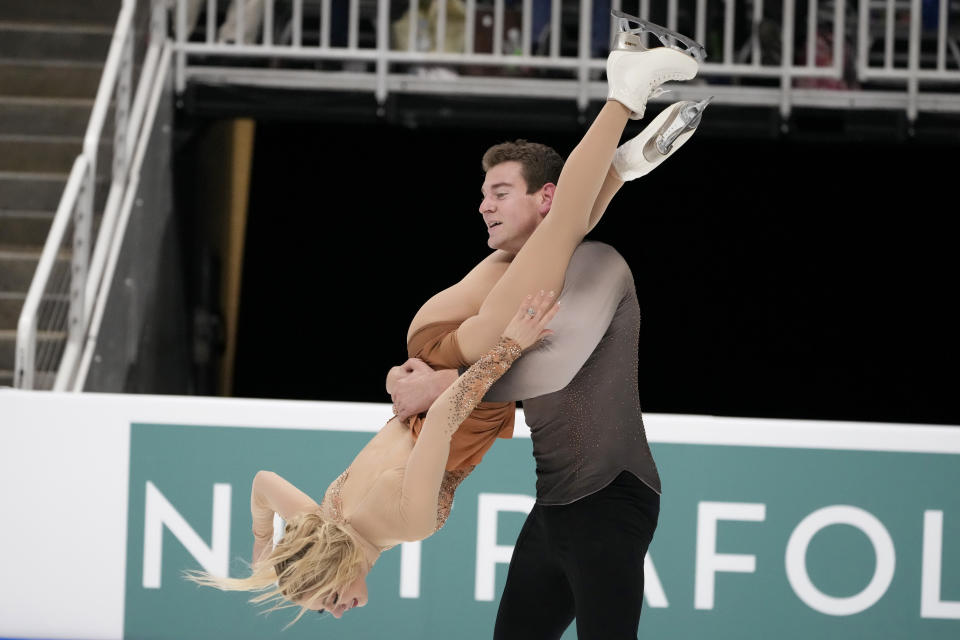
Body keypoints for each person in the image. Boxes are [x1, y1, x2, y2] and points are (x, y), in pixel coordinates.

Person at [190, 12, 706, 625]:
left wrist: (509, 348)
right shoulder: (320, 516)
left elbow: (447, 419)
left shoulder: (404, 526)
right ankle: (620, 162)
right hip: (432, 335)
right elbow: (262, 481)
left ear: (333, 569)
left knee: (560, 230)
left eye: (326, 599)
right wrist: (263, 554)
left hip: (465, 364)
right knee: (547, 240)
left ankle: (624, 90)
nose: (336, 611)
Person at [389, 12, 707, 639]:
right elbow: (554, 237)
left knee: (563, 237)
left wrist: (445, 385)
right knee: (559, 236)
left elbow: (547, 363)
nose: (484, 203)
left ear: (542, 192)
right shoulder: (518, 269)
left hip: (605, 499)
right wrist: (446, 385)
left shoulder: (600, 268)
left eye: (500, 191)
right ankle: (618, 149)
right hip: (555, 501)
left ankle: (622, 108)